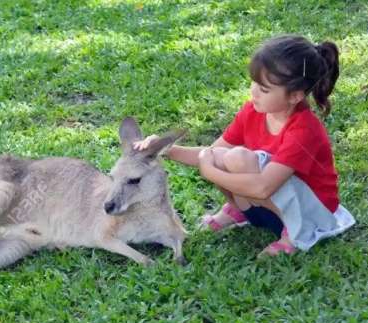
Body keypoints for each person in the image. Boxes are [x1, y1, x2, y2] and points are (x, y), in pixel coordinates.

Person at [134, 35, 355, 258]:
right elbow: (211, 152)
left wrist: (209, 171)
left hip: (311, 214)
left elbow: (263, 188)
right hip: (269, 207)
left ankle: (294, 235)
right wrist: (165, 149)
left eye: (264, 89)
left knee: (237, 158)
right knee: (220, 155)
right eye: (254, 83)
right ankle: (239, 210)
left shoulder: (304, 131)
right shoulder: (253, 111)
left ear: (295, 96)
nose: (254, 92)